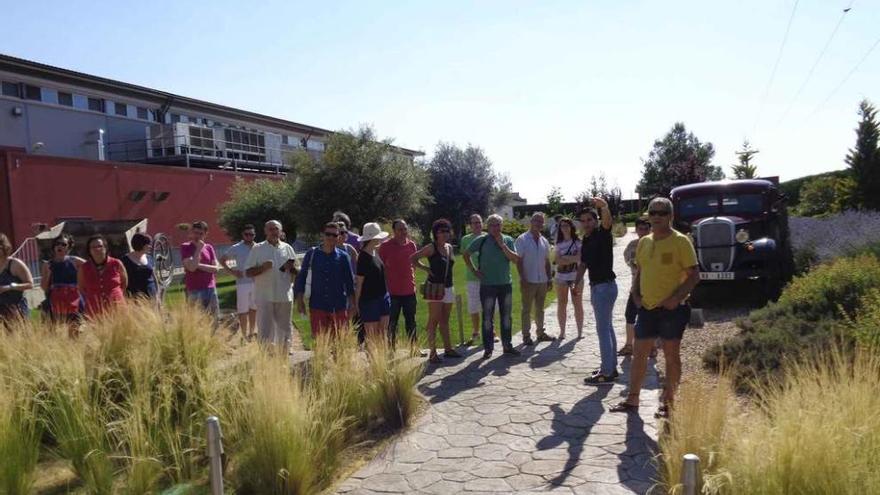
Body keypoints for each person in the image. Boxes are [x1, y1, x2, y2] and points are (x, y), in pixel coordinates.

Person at [611, 197, 699, 419]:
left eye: (662, 213)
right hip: (647, 308)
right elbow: (640, 271)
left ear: (671, 216)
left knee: (671, 356)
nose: (657, 217)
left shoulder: (681, 242)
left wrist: (676, 298)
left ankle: (669, 404)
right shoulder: (644, 242)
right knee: (639, 354)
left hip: (672, 310)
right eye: (653, 213)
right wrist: (636, 293)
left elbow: (694, 275)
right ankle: (632, 399)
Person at [463, 214, 521, 359]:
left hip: (505, 285)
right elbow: (466, 254)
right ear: (487, 227)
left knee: (506, 317)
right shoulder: (481, 240)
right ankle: (488, 348)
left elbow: (515, 259)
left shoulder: (508, 239)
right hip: (487, 285)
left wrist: (502, 245)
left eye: (498, 225)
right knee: (488, 318)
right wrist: (474, 270)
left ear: (502, 226)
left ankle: (507, 345)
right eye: (492, 225)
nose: (495, 228)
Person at [576, 198, 619, 385]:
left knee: (602, 330)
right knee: (607, 327)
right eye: (583, 221)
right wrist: (577, 282)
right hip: (597, 287)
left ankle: (607, 372)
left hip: (605, 287)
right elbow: (584, 263)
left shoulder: (603, 234)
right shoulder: (586, 239)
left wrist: (604, 207)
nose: (586, 224)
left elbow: (608, 221)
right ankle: (611, 367)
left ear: (596, 220)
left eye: (589, 220)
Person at [411, 219, 462, 363]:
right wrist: (426, 269)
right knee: (433, 321)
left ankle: (448, 349)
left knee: (444, 320)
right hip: (434, 288)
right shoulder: (431, 248)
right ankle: (432, 353)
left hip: (448, 287)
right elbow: (413, 258)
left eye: (447, 230)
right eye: (442, 231)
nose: (445, 233)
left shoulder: (449, 248)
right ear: (436, 233)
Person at [294, 222, 355, 337]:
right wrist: (300, 300)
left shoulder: (343, 256)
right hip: (317, 305)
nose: (331, 237)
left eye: (335, 235)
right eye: (328, 234)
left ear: (338, 237)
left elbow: (349, 281)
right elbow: (301, 277)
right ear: (322, 235)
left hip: (339, 305)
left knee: (340, 342)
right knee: (320, 342)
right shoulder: (312, 254)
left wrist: (352, 303)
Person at [245, 220, 298, 352]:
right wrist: (263, 267)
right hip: (264, 295)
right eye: (271, 229)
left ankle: (285, 350)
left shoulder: (287, 248)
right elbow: (248, 272)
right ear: (265, 231)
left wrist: (291, 268)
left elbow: (297, 270)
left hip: (284, 294)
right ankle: (266, 354)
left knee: (285, 326)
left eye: (276, 229)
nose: (274, 232)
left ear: (280, 231)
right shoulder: (257, 249)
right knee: (265, 327)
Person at [515, 212, 556, 346]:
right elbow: (519, 261)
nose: (538, 223)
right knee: (526, 309)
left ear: (543, 224)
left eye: (541, 221)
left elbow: (547, 262)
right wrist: (523, 278)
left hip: (542, 280)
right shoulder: (522, 239)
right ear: (531, 222)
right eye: (536, 221)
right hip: (529, 280)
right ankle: (526, 336)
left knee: (540, 309)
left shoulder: (544, 241)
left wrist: (549, 279)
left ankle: (540, 333)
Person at [378, 219, 418, 345]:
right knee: (392, 322)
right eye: (400, 229)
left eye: (405, 229)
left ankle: (413, 347)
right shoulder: (385, 247)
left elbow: (414, 266)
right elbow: (381, 268)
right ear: (394, 231)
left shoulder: (412, 245)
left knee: (411, 321)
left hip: (409, 291)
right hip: (392, 292)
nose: (403, 232)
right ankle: (391, 348)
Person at [619, 216, 652, 356]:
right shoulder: (632, 245)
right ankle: (629, 345)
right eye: (640, 229)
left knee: (651, 317)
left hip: (652, 288)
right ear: (636, 230)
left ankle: (652, 347)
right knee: (630, 315)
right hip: (636, 286)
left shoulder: (655, 244)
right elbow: (629, 261)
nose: (643, 231)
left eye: (646, 229)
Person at [41, 234, 85, 335]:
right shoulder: (47, 264)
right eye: (57, 244)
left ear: (68, 247)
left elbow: (91, 268)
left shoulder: (75, 261)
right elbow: (44, 287)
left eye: (63, 244)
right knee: (51, 333)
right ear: (53, 246)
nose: (59, 246)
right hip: (54, 302)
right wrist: (47, 274)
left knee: (74, 333)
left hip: (73, 301)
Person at [355, 222, 391, 340]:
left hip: (383, 297)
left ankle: (381, 357)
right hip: (369, 300)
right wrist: (357, 303)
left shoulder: (375, 252)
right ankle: (373, 358)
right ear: (372, 238)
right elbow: (359, 283)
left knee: (382, 334)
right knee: (372, 336)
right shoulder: (362, 257)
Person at [221, 224, 258, 339]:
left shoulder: (259, 247)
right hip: (242, 283)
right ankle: (243, 334)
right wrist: (232, 272)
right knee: (243, 310)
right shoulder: (236, 247)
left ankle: (252, 332)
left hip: (257, 282)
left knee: (254, 309)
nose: (249, 236)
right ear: (243, 235)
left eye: (251, 234)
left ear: (254, 235)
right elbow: (222, 260)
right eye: (247, 234)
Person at [78, 235, 127, 318]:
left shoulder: (116, 263)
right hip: (94, 310)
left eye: (100, 246)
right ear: (89, 250)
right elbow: (82, 288)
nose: (97, 249)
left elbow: (124, 283)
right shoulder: (84, 268)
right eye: (93, 247)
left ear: (105, 248)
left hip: (117, 307)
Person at [460, 214, 489, 345]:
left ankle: (491, 331)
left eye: (479, 222)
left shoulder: (488, 237)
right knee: (473, 306)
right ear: (470, 225)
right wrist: (474, 270)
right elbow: (465, 257)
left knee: (488, 306)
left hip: (488, 278)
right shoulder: (466, 239)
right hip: (472, 278)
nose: (477, 225)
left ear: (482, 224)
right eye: (474, 223)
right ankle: (476, 332)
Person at [180, 221, 220, 318]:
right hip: (194, 289)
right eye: (195, 232)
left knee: (214, 319)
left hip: (210, 288)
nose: (197, 236)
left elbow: (216, 268)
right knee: (198, 321)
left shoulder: (209, 248)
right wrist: (198, 249)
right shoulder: (185, 247)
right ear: (191, 232)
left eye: (200, 233)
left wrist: (198, 265)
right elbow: (192, 268)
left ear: (206, 234)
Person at [553, 217, 583, 339]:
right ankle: (562, 331)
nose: (565, 228)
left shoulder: (578, 242)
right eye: (562, 226)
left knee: (578, 304)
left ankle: (580, 331)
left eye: (567, 225)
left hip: (576, 277)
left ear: (571, 227)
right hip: (561, 277)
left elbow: (579, 258)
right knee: (562, 303)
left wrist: (565, 258)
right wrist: (571, 258)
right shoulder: (558, 243)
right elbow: (557, 260)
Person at [0, 233, 34, 324]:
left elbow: (30, 284)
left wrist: (9, 287)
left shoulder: (15, 263)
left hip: (16, 310)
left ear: (4, 247)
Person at [121, 233, 158, 302]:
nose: (150, 246)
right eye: (148, 244)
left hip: (152, 295)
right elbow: (122, 280)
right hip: (134, 298)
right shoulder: (125, 260)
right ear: (141, 244)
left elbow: (154, 277)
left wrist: (157, 295)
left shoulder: (149, 258)